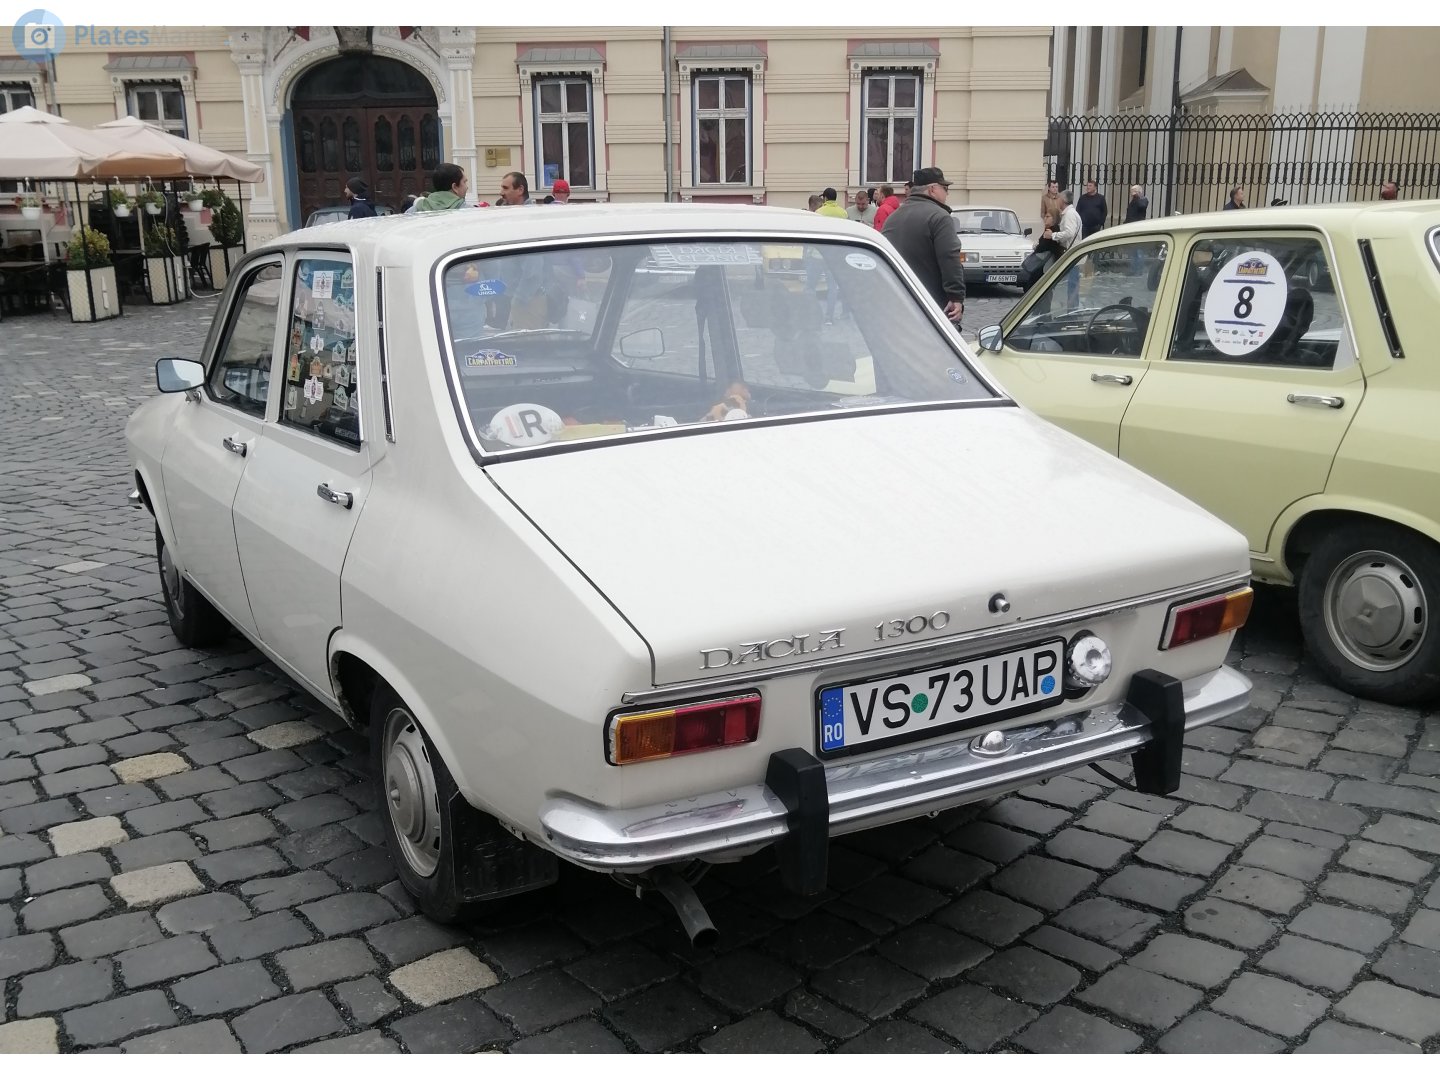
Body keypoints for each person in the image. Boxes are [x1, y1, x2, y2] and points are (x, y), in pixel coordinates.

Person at [881, 166, 965, 325]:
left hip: (897, 300)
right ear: (932, 189)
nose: (947, 193)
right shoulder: (940, 217)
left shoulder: (894, 217)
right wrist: (956, 297)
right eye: (945, 188)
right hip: (930, 302)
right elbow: (949, 258)